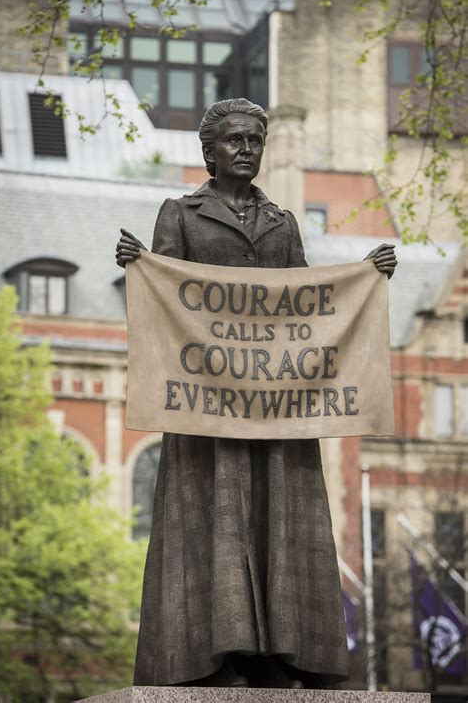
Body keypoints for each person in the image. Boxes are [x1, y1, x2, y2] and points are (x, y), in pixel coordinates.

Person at [116, 98, 397, 689]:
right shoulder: (181, 214)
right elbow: (165, 306)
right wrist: (140, 265)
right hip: (207, 413)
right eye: (234, 141)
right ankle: (207, 653)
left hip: (277, 411)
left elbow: (310, 308)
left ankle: (284, 651)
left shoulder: (283, 224)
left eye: (255, 141)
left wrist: (366, 275)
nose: (246, 150)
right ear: (209, 151)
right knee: (213, 521)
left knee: (282, 520)